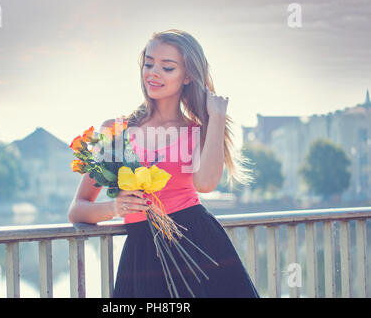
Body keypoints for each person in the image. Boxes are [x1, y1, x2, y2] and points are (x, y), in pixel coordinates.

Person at [68, 29, 259, 298]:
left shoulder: (198, 129)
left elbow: (205, 184)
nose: (153, 73)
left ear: (188, 76)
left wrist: (215, 117)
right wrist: (115, 207)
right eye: (148, 63)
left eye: (167, 67)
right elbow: (78, 210)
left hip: (200, 246)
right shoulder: (116, 131)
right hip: (142, 254)